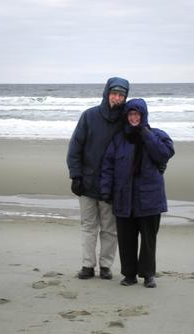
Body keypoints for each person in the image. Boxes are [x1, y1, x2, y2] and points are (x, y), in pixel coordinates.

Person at [100, 98, 174, 288]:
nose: (134, 117)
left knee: (148, 239)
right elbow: (108, 166)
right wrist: (106, 191)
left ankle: (148, 274)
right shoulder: (119, 139)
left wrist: (145, 133)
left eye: (137, 114)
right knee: (126, 239)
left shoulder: (157, 134)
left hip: (149, 197)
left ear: (143, 116)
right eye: (131, 114)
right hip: (124, 197)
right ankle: (129, 275)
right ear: (126, 116)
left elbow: (164, 153)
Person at [67, 77, 130, 280]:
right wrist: (75, 175)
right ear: (106, 93)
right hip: (86, 182)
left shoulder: (126, 120)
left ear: (125, 97)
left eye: (121, 95)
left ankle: (105, 266)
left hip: (111, 186)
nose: (117, 98)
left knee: (109, 229)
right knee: (88, 226)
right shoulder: (89, 116)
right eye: (114, 93)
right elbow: (75, 148)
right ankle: (87, 265)